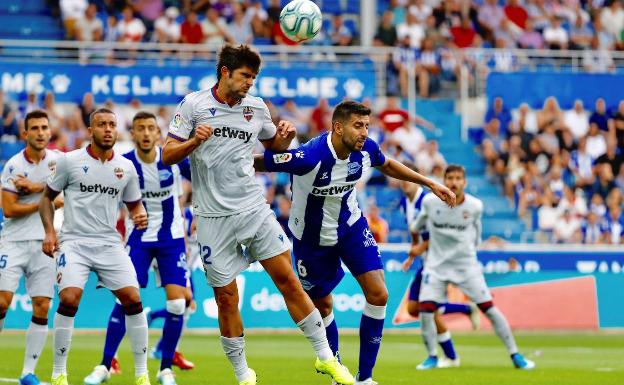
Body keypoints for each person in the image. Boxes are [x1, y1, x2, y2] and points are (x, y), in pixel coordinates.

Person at [161, 44, 353, 385]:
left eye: (253, 77)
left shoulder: (256, 108)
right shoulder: (194, 105)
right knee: (226, 297)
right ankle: (243, 374)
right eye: (245, 76)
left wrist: (282, 139)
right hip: (211, 217)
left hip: (253, 208)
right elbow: (167, 155)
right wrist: (193, 143)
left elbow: (272, 151)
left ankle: (327, 358)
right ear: (225, 72)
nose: (250, 83)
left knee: (288, 281)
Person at [254, 101, 456, 384]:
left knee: (379, 294)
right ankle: (335, 369)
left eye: (367, 126)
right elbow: (260, 162)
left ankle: (365, 378)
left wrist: (429, 183)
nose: (364, 132)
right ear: (338, 127)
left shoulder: (365, 150)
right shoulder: (310, 156)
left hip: (350, 227)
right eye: (358, 126)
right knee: (323, 306)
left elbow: (387, 164)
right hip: (311, 240)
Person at [39, 108, 151, 385]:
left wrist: (140, 215)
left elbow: (135, 205)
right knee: (69, 299)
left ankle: (141, 374)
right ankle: (58, 373)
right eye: (101, 124)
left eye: (112, 124)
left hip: (109, 243)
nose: (108, 129)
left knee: (133, 300)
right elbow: (46, 199)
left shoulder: (126, 168)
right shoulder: (70, 161)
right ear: (91, 131)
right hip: (74, 242)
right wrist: (50, 232)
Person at [83, 112, 192, 385]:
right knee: (125, 299)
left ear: (158, 134)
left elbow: (207, 180)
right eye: (140, 128)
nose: (145, 133)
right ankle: (105, 365)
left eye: (151, 129)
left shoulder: (175, 160)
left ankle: (165, 368)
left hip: (171, 239)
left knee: (179, 303)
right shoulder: (123, 165)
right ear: (132, 134)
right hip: (139, 240)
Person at [410, 164, 536, 370]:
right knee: (425, 310)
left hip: (466, 265)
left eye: (458, 178)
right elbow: (416, 226)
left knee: (489, 309)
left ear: (464, 182)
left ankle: (516, 355)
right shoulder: (431, 203)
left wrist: (469, 252)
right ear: (444, 180)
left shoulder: (475, 206)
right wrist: (417, 246)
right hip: (436, 265)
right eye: (449, 178)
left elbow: (476, 235)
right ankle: (432, 356)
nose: (453, 182)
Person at [0, 111, 63, 385]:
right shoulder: (14, 165)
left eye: (44, 127)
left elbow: (67, 194)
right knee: (1, 302)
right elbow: (9, 209)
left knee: (42, 306)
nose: (40, 132)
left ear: (50, 131)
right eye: (34, 128)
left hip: (45, 243)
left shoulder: (60, 162)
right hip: (12, 242)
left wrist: (36, 189)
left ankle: (28, 371)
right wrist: (46, 201)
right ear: (25, 133)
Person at [399, 167, 479, 370]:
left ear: (415, 180)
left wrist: (419, 248)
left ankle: (444, 357)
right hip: (425, 262)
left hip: (437, 263)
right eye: (401, 179)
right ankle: (465, 310)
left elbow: (437, 234)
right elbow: (415, 230)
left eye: (407, 179)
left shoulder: (427, 201)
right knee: (414, 309)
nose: (404, 183)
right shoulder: (405, 203)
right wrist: (413, 252)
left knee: (429, 311)